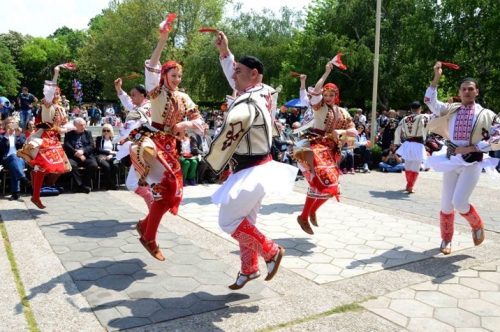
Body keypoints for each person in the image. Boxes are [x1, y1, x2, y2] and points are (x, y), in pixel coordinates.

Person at [204, 31, 295, 290]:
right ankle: (249, 269)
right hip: (259, 166)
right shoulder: (263, 92)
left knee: (229, 221)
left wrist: (210, 163)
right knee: (246, 221)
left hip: (252, 168)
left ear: (253, 74)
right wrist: (225, 52)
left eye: (239, 71)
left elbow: (230, 130)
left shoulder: (248, 101)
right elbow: (236, 78)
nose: (233, 75)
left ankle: (271, 252)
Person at [131, 24, 204, 261]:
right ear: (164, 76)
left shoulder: (183, 97)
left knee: (170, 193)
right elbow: (151, 67)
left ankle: (145, 227)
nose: (177, 79)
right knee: (167, 190)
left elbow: (200, 122)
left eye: (180, 76)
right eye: (173, 75)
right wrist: (162, 40)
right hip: (155, 144)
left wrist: (187, 125)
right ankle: (148, 237)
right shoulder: (156, 92)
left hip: (171, 147)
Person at [424, 61, 500, 255]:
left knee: (459, 202)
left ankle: (476, 224)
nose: (467, 92)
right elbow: (430, 102)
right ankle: (446, 239)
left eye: (471, 89)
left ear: (476, 92)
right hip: (451, 159)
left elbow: (498, 135)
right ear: (459, 91)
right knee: (446, 204)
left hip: (472, 162)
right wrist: (437, 77)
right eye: (464, 89)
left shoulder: (487, 114)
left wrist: (475, 147)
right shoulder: (452, 109)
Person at [293, 61, 357, 235]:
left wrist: (342, 130)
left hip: (331, 151)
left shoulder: (344, 112)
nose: (327, 97)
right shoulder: (319, 107)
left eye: (331, 94)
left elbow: (354, 132)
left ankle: (311, 211)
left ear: (336, 95)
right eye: (325, 94)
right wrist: (327, 72)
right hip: (315, 146)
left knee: (333, 188)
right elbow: (315, 91)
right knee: (317, 182)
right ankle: (304, 216)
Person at [18, 66, 73, 209]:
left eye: (57, 93)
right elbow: (50, 91)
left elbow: (65, 124)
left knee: (47, 168)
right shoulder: (47, 105)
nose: (55, 95)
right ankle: (36, 195)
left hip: (53, 139)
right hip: (42, 138)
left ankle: (36, 194)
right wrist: (56, 73)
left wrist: (67, 128)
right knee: (42, 166)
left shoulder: (60, 108)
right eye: (53, 93)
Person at [114, 79, 153, 211]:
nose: (131, 97)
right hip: (146, 149)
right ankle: (152, 214)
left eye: (134, 94)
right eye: (131, 94)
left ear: (142, 95)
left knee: (132, 183)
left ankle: (153, 206)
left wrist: (118, 137)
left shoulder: (143, 109)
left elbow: (128, 127)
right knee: (145, 183)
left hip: (144, 150)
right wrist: (119, 89)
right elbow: (127, 102)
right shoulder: (142, 107)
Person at [394, 101, 432, 193]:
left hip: (407, 143)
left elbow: (398, 130)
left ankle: (409, 184)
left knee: (408, 165)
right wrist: (426, 134)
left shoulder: (405, 118)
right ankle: (410, 186)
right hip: (418, 144)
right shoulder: (424, 116)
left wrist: (397, 142)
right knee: (416, 165)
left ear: (411, 109)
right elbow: (427, 127)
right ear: (420, 108)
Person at [63, 118, 98, 193]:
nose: (84, 127)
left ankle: (83, 184)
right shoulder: (68, 134)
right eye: (81, 125)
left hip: (86, 156)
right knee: (71, 165)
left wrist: (83, 151)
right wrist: (76, 154)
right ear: (75, 126)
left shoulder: (88, 133)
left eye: (84, 125)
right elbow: (67, 145)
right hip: (74, 156)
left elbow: (91, 145)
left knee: (93, 165)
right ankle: (82, 186)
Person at [0, 117, 31, 200]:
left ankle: (15, 193)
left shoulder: (21, 135)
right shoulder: (1, 136)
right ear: (6, 125)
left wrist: (17, 135)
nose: (11, 124)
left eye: (13, 122)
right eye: (9, 123)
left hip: (20, 158)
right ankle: (22, 178)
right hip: (6, 158)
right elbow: (1, 148)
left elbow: (23, 146)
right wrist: (6, 135)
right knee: (13, 157)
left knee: (14, 163)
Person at [95, 124, 119, 190]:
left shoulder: (114, 139)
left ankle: (111, 183)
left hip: (111, 157)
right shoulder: (99, 138)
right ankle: (111, 184)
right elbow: (98, 150)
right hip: (101, 156)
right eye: (104, 130)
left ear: (111, 131)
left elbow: (116, 150)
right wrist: (109, 152)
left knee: (115, 165)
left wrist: (111, 155)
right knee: (106, 166)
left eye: (108, 130)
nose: (106, 132)